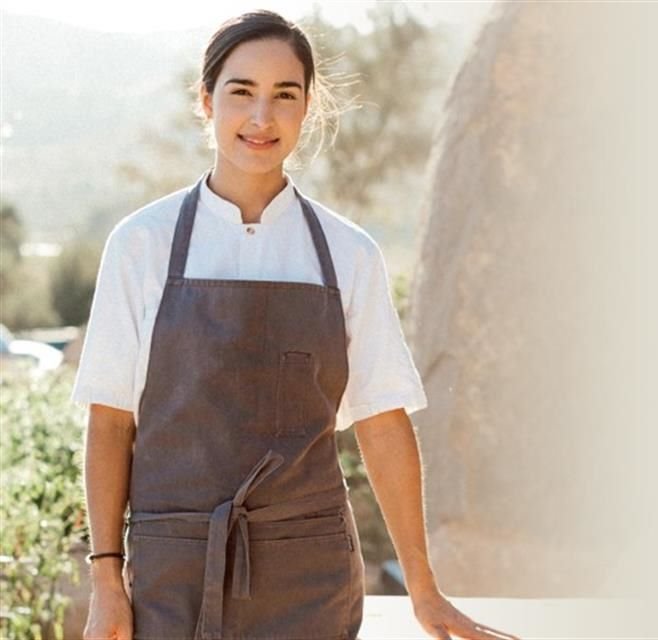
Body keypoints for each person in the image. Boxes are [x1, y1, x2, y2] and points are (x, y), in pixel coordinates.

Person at [73, 10, 520, 640]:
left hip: (311, 579)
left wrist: (425, 591)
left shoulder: (348, 253)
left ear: (307, 108)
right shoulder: (140, 245)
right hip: (172, 577)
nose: (262, 118)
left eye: (285, 95)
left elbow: (383, 423)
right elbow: (111, 422)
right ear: (206, 102)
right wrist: (105, 581)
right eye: (241, 93)